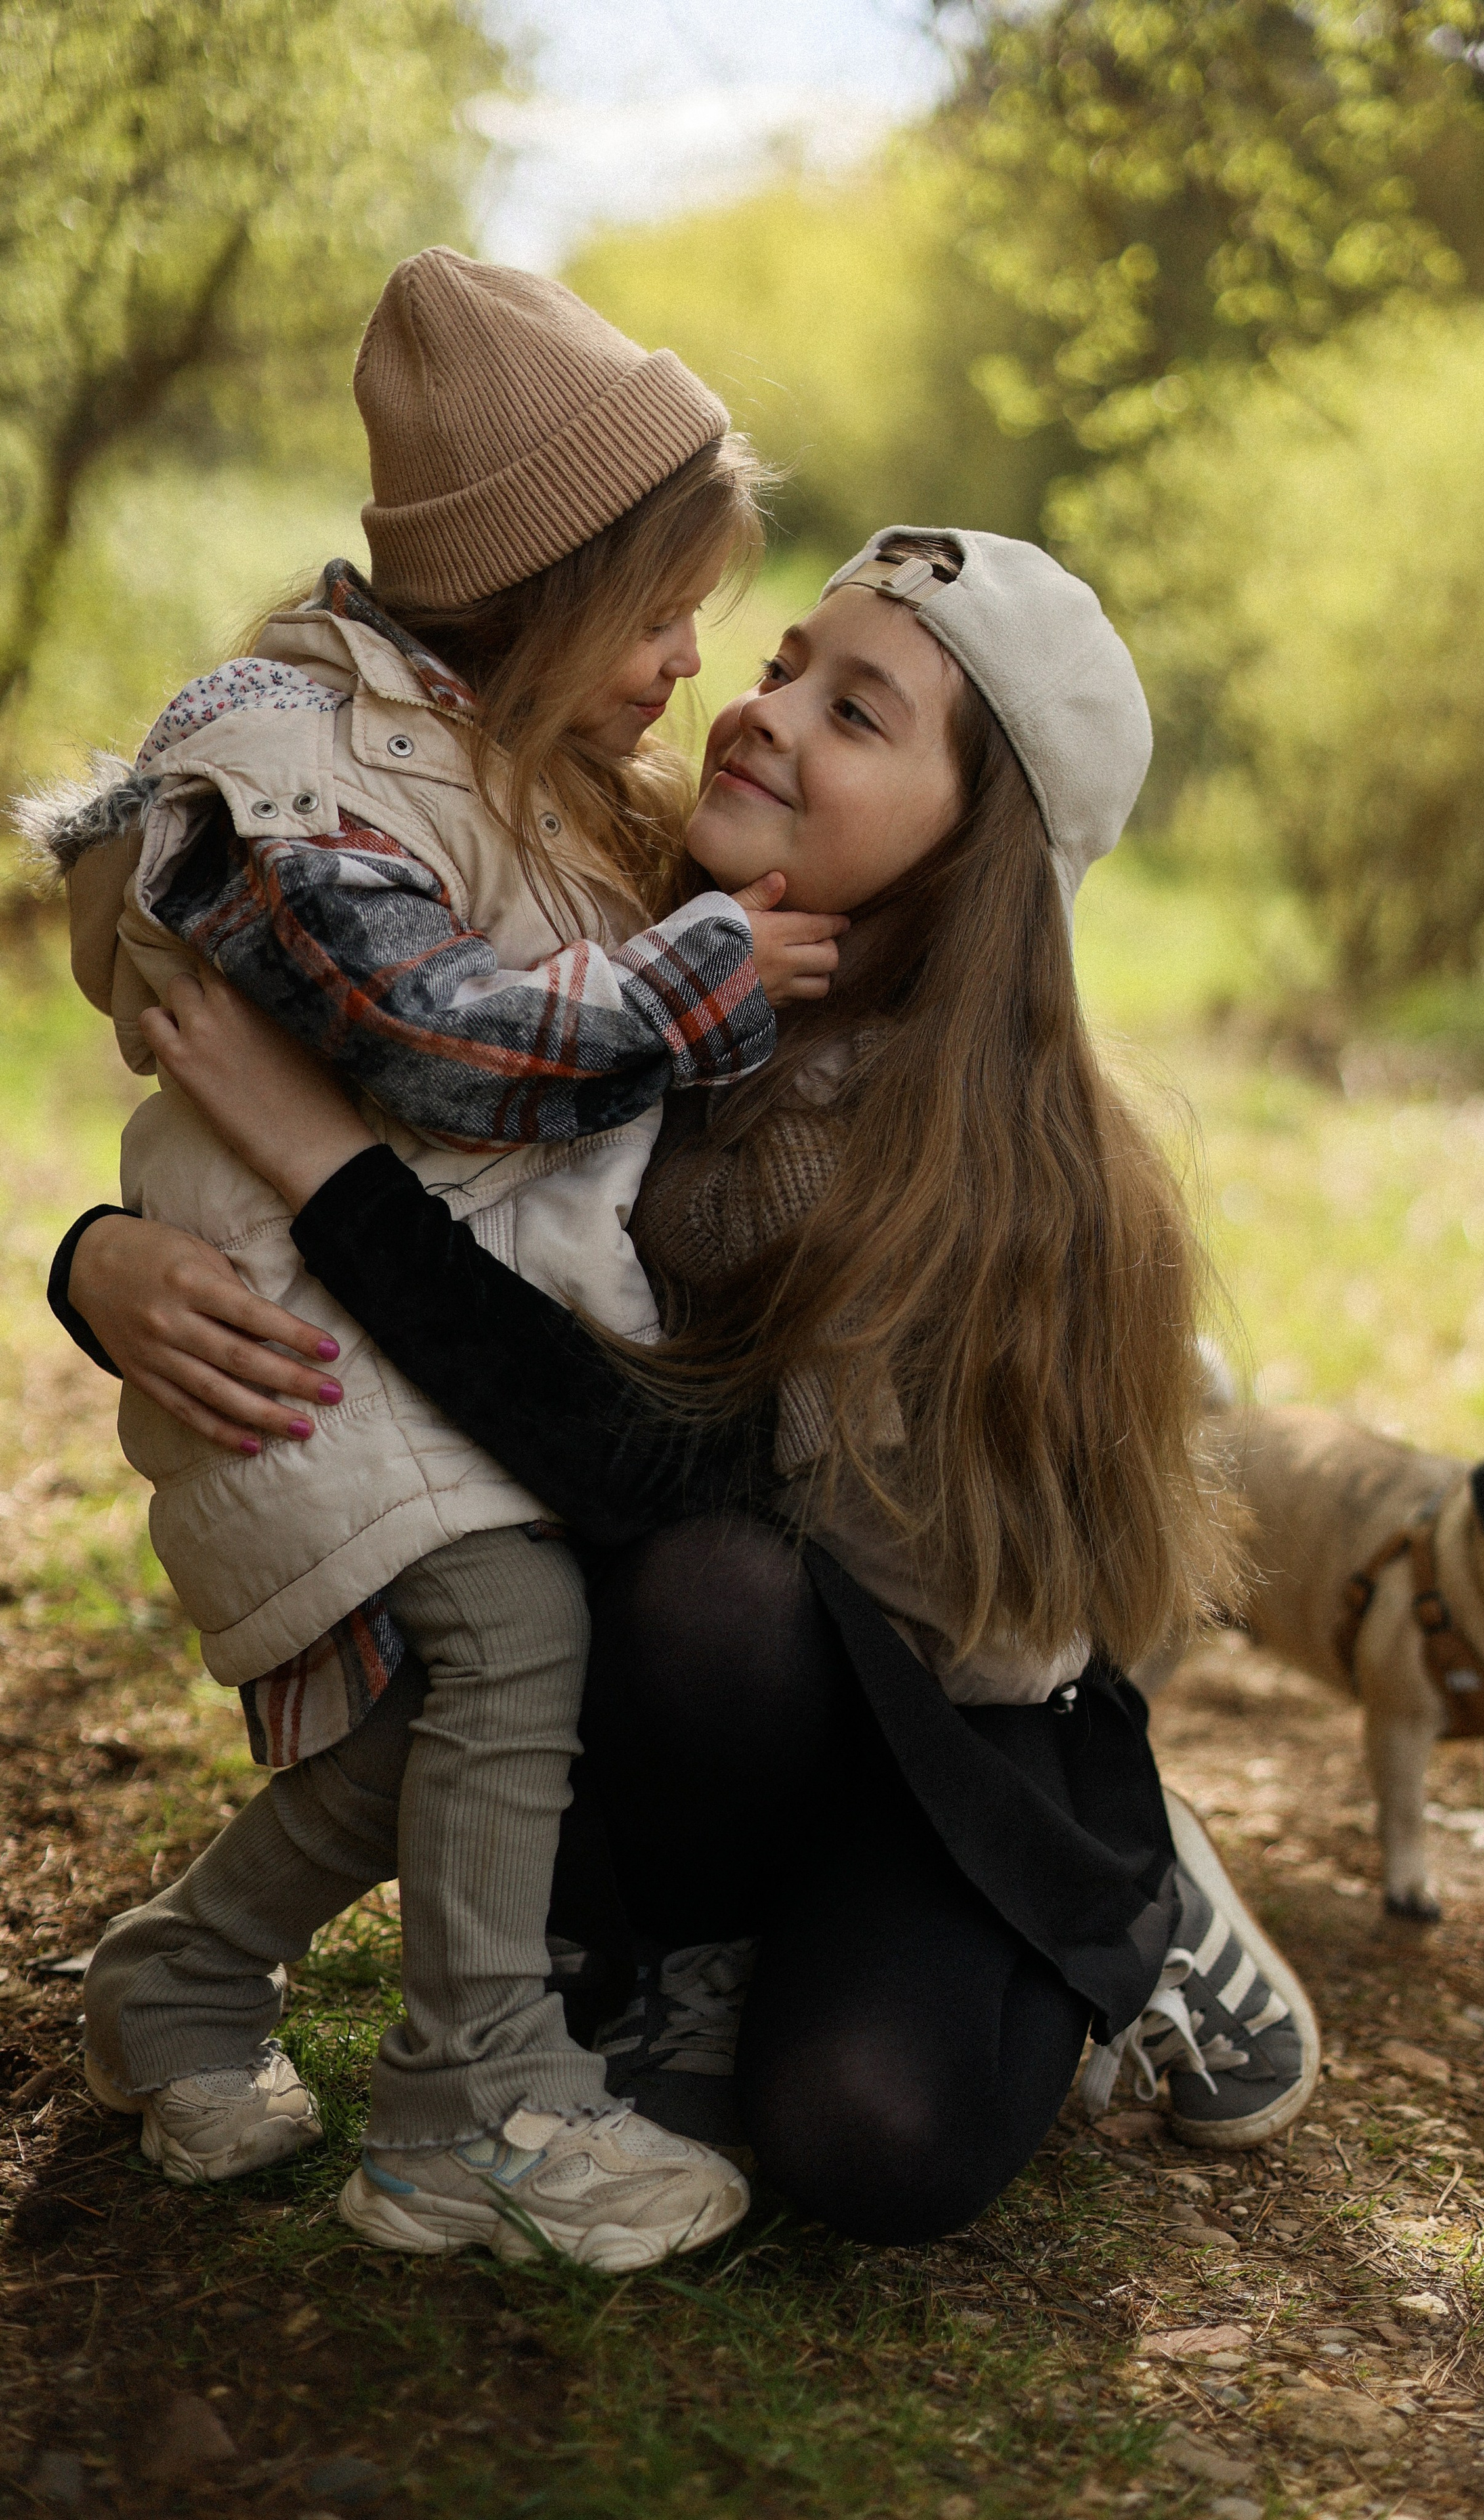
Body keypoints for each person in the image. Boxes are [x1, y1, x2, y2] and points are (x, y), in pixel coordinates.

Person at [54, 528, 1319, 2251]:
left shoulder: (949, 1161)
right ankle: (693, 1950)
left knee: (871, 2142)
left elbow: (636, 1460)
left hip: (949, 1709)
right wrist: (99, 1256)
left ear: (977, 846)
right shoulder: (616, 927)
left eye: (858, 713)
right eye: (788, 662)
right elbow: (330, 1056)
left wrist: (327, 1167)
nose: (768, 710)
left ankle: (1120, 1877)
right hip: (711, 1670)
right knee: (693, 1600)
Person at [24, 249, 847, 2271]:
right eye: (658, 611)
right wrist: (704, 968)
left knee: (437, 1711)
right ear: (537, 585)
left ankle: (179, 1984)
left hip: (374, 1336)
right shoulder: (303, 772)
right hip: (291, 1341)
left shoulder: (509, 753)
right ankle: (472, 2110)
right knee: (514, 1640)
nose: (686, 662)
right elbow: (453, 1050)